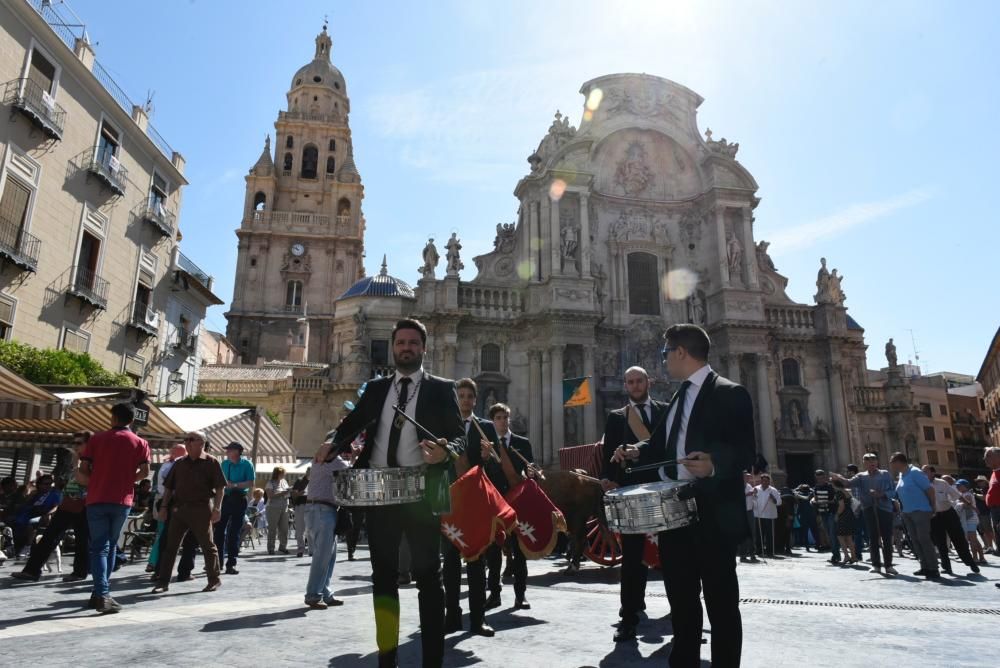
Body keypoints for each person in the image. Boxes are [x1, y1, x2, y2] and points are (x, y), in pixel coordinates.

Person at [615, 323, 755, 668]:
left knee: (721, 606)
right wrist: (637, 451)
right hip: (676, 514)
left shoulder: (730, 392)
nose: (663, 361)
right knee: (682, 603)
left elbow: (747, 452)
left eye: (666, 353)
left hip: (714, 515)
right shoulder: (678, 395)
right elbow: (664, 444)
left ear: (681, 353)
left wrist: (714, 464)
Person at [330, 318, 465, 668]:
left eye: (413, 343)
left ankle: (432, 660)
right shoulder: (376, 389)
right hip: (379, 495)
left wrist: (445, 450)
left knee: (429, 580)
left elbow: (459, 434)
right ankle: (386, 660)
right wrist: (330, 444)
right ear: (393, 348)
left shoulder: (440, 387)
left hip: (421, 493)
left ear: (423, 348)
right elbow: (352, 423)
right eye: (401, 343)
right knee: (384, 580)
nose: (406, 348)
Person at [599, 366, 669, 641]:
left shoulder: (665, 411)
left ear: (648, 382)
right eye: (631, 382)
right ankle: (628, 617)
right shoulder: (617, 418)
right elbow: (608, 455)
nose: (636, 385)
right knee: (631, 557)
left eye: (639, 381)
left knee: (674, 555)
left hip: (662, 488)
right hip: (632, 492)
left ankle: (683, 614)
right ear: (625, 386)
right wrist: (607, 478)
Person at [76, 403, 150, 613]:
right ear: (132, 419)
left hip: (97, 497)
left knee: (100, 547)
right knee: (110, 544)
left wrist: (97, 480)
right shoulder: (140, 442)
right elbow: (145, 472)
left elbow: (83, 469)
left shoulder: (97, 439)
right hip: (122, 500)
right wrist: (129, 481)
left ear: (113, 417)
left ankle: (101, 594)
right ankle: (101, 593)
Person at [443, 377, 497, 637]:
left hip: (474, 503)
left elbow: (495, 470)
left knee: (477, 563)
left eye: (469, 396)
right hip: (450, 502)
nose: (465, 400)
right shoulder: (445, 426)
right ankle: (451, 616)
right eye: (461, 395)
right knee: (450, 564)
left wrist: (486, 459)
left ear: (476, 400)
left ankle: (478, 620)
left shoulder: (486, 427)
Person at [152, 431, 226, 593]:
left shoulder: (211, 462)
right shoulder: (180, 463)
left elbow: (220, 488)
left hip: (201, 508)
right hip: (179, 509)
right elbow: (169, 489)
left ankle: (214, 579)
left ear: (201, 443)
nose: (186, 442)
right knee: (170, 546)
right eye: (185, 439)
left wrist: (217, 509)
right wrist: (164, 508)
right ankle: (163, 582)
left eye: (190, 440)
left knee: (207, 546)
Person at [11, 433, 91, 582]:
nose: (75, 446)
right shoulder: (76, 460)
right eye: (74, 442)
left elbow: (85, 482)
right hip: (67, 503)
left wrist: (76, 465)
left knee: (82, 539)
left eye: (79, 443)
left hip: (83, 504)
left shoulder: (91, 461)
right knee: (49, 536)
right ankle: (31, 571)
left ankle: (80, 572)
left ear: (88, 444)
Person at [485, 402, 534, 614]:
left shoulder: (522, 443)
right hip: (496, 504)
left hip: (516, 505)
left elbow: (530, 469)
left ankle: (520, 595)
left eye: (505, 417)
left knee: (519, 551)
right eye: (498, 418)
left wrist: (531, 471)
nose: (503, 421)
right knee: (493, 552)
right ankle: (494, 594)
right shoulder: (486, 446)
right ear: (492, 421)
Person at [303, 434, 349, 609]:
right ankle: (313, 595)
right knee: (323, 556)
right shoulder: (335, 462)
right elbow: (351, 470)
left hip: (320, 509)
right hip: (323, 510)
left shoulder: (318, 461)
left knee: (329, 556)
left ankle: (325, 592)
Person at [833, 454, 896, 575]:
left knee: (887, 537)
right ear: (864, 464)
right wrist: (838, 477)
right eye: (867, 461)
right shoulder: (861, 476)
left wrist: (881, 494)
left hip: (884, 508)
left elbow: (893, 491)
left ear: (877, 461)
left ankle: (888, 565)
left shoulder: (885, 474)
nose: (871, 462)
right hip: (868, 508)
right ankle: (876, 565)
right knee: (872, 537)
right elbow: (847, 483)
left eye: (873, 460)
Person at [889, 452, 938, 579]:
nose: (891, 465)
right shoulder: (901, 475)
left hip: (921, 510)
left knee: (924, 539)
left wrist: (933, 507)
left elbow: (929, 489)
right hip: (907, 512)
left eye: (893, 462)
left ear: (899, 462)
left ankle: (933, 568)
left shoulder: (915, 472)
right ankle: (924, 566)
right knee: (915, 540)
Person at [923, 465, 979, 575]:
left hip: (948, 513)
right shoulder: (922, 486)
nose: (923, 474)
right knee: (940, 543)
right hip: (934, 517)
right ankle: (947, 567)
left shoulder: (942, 483)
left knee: (959, 539)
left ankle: (971, 562)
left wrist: (971, 505)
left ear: (933, 473)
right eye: (922, 472)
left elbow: (957, 495)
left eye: (925, 472)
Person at [147, 443, 188, 575]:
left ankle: (155, 563)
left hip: (163, 500)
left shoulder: (166, 464)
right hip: (167, 501)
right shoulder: (172, 465)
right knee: (165, 534)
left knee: (163, 533)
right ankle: (155, 563)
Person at [215, 442, 255, 574]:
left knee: (234, 532)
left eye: (229, 449)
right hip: (225, 499)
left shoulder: (247, 464)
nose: (226, 452)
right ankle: (218, 562)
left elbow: (250, 483)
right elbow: (219, 481)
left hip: (239, 499)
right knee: (219, 531)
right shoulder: (224, 464)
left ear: (238, 451)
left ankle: (231, 563)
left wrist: (235, 485)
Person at [9, 473, 61, 558]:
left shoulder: (54, 494)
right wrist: (30, 496)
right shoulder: (35, 493)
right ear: (40, 485)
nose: (48, 486)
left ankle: (28, 546)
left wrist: (48, 513)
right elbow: (25, 504)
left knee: (31, 523)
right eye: (46, 484)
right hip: (30, 513)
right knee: (14, 521)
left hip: (43, 515)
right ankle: (12, 546)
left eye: (50, 484)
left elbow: (56, 506)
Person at [811, 470, 840, 563]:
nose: (820, 480)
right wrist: (813, 501)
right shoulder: (816, 487)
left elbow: (835, 500)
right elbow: (814, 498)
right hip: (822, 513)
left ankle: (836, 555)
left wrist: (825, 502)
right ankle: (835, 554)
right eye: (818, 478)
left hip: (831, 512)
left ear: (825, 477)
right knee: (828, 534)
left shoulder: (830, 487)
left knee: (832, 534)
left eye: (821, 478)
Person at [955, 479, 986, 564]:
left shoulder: (967, 494)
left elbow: (967, 506)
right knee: (974, 539)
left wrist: (957, 505)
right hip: (968, 519)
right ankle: (982, 558)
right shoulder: (963, 494)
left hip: (970, 519)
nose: (957, 487)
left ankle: (975, 558)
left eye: (959, 485)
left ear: (965, 486)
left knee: (972, 539)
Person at [752, 474, 780, 557]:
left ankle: (770, 552)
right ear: (761, 481)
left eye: (767, 481)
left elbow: (779, 502)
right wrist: (754, 495)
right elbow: (753, 500)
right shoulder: (756, 489)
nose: (765, 482)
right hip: (758, 515)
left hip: (770, 516)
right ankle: (759, 550)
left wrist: (773, 499)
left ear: (769, 481)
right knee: (759, 534)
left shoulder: (773, 490)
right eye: (763, 480)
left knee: (769, 535)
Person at [265, 467, 290, 555]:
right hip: (272, 507)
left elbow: (287, 493)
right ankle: (271, 548)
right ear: (277, 474)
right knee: (272, 529)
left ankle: (283, 547)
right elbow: (270, 495)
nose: (284, 474)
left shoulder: (285, 482)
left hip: (284, 507)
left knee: (284, 529)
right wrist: (284, 493)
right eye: (282, 473)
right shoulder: (270, 483)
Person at [831, 480, 858, 564]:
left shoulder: (839, 493)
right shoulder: (846, 491)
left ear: (835, 485)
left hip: (843, 516)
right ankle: (853, 557)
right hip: (850, 515)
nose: (832, 487)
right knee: (849, 537)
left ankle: (846, 556)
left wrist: (837, 515)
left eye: (832, 485)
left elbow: (841, 506)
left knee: (840, 537)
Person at [972, 475, 995, 555]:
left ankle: (994, 547)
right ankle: (990, 547)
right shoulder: (982, 489)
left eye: (980, 481)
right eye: (978, 482)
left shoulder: (987, 488)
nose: (979, 483)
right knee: (985, 531)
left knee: (989, 530)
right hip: (981, 512)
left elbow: (984, 498)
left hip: (985, 512)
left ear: (985, 481)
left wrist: (974, 494)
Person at [290, 467, 310, 558]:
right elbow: (293, 494)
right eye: (309, 472)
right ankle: (300, 549)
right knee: (299, 529)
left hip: (312, 505)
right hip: (301, 505)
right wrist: (299, 493)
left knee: (311, 529)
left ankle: (311, 549)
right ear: (306, 472)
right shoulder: (300, 480)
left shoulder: (316, 480)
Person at [739, 473, 759, 563]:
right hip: (741, 512)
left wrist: (755, 494)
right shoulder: (737, 486)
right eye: (746, 477)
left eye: (749, 477)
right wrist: (748, 494)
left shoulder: (749, 485)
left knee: (752, 533)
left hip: (750, 511)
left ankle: (752, 553)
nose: (748, 478)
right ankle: (743, 554)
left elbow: (754, 498)